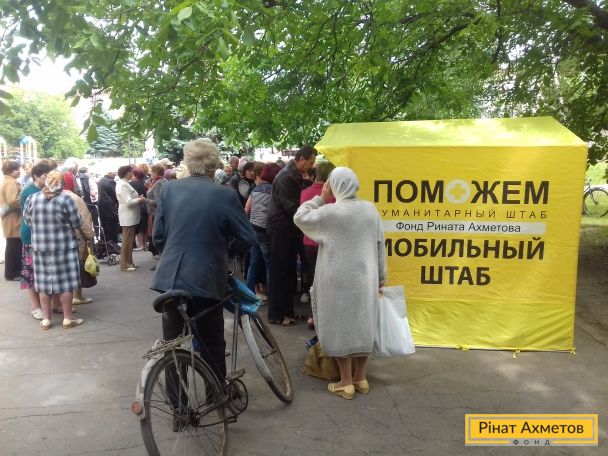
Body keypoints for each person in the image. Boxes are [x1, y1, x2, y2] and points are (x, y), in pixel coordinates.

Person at [151, 138, 255, 382]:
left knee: (172, 345)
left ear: (188, 162)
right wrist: (224, 252)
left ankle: (177, 402)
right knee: (212, 343)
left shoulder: (169, 189)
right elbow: (247, 237)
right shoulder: (224, 194)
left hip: (170, 277)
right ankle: (216, 394)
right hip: (206, 276)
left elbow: (157, 237)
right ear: (214, 165)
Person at [294, 167, 386, 400]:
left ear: (333, 185)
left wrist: (321, 198)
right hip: (365, 277)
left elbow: (300, 216)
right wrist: (381, 278)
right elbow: (380, 245)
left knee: (339, 325)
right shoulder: (370, 210)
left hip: (335, 279)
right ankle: (360, 378)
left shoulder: (330, 212)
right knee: (363, 324)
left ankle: (345, 382)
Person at [23, 170, 85, 329]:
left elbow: (28, 221)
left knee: (44, 284)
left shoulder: (32, 198)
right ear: (60, 183)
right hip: (64, 247)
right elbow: (77, 222)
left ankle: (46, 319)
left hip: (40, 248)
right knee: (66, 284)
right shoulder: (65, 199)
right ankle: (68, 318)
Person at [266, 146, 317, 326]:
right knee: (280, 272)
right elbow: (293, 209)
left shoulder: (292, 175)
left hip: (286, 229)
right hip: (280, 230)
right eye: (310, 162)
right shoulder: (286, 177)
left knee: (288, 273)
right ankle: (276, 315)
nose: (311, 166)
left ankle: (287, 312)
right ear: (301, 159)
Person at [299, 161, 336, 324]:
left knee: (313, 277)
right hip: (328, 242)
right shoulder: (335, 195)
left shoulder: (305, 192)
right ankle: (326, 315)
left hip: (309, 242)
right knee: (328, 280)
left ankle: (312, 315)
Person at [19, 160, 55, 321]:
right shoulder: (28, 192)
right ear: (35, 176)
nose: (48, 179)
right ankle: (35, 306)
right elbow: (31, 217)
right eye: (45, 176)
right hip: (31, 235)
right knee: (31, 272)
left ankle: (53, 304)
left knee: (49, 272)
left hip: (46, 236)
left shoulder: (49, 189)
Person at [245, 163, 281, 294]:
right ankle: (272, 296)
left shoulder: (255, 189)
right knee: (270, 265)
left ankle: (249, 295)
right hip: (265, 230)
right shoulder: (274, 190)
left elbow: (246, 209)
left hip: (253, 229)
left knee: (254, 263)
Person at [116, 165, 146, 271]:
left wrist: (137, 198)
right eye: (130, 172)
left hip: (129, 216)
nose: (131, 173)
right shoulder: (123, 184)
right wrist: (139, 200)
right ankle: (125, 264)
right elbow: (128, 202)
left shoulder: (124, 183)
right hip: (128, 216)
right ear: (125, 173)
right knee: (127, 241)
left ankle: (129, 263)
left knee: (128, 241)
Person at [1, 160, 23, 280]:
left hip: (10, 218)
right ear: (10, 171)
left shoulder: (7, 181)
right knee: (14, 247)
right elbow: (13, 200)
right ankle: (13, 273)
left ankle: (11, 273)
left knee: (12, 246)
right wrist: (26, 199)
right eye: (16, 169)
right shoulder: (11, 183)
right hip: (13, 218)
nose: (19, 171)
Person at [97, 170, 120, 243]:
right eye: (114, 173)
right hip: (109, 206)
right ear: (110, 173)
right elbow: (116, 194)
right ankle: (112, 244)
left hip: (101, 205)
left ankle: (105, 243)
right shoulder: (111, 181)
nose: (115, 175)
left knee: (104, 225)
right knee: (111, 227)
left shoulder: (101, 180)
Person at [130, 167, 149, 251]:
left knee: (139, 227)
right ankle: (145, 244)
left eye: (132, 175)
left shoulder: (131, 184)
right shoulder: (146, 182)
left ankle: (140, 245)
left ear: (135, 175)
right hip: (146, 206)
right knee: (145, 227)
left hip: (138, 206)